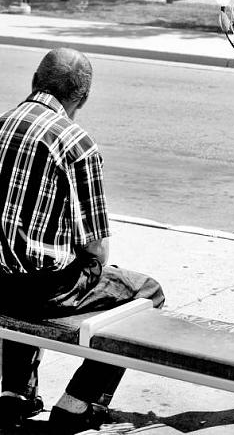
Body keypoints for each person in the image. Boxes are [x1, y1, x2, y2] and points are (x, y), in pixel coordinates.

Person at [0, 47, 165, 434]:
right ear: (82, 98)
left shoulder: (1, 125)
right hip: (45, 291)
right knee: (147, 293)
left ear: (34, 82)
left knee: (21, 259)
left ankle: (15, 394)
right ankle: (78, 402)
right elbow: (96, 247)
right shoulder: (77, 144)